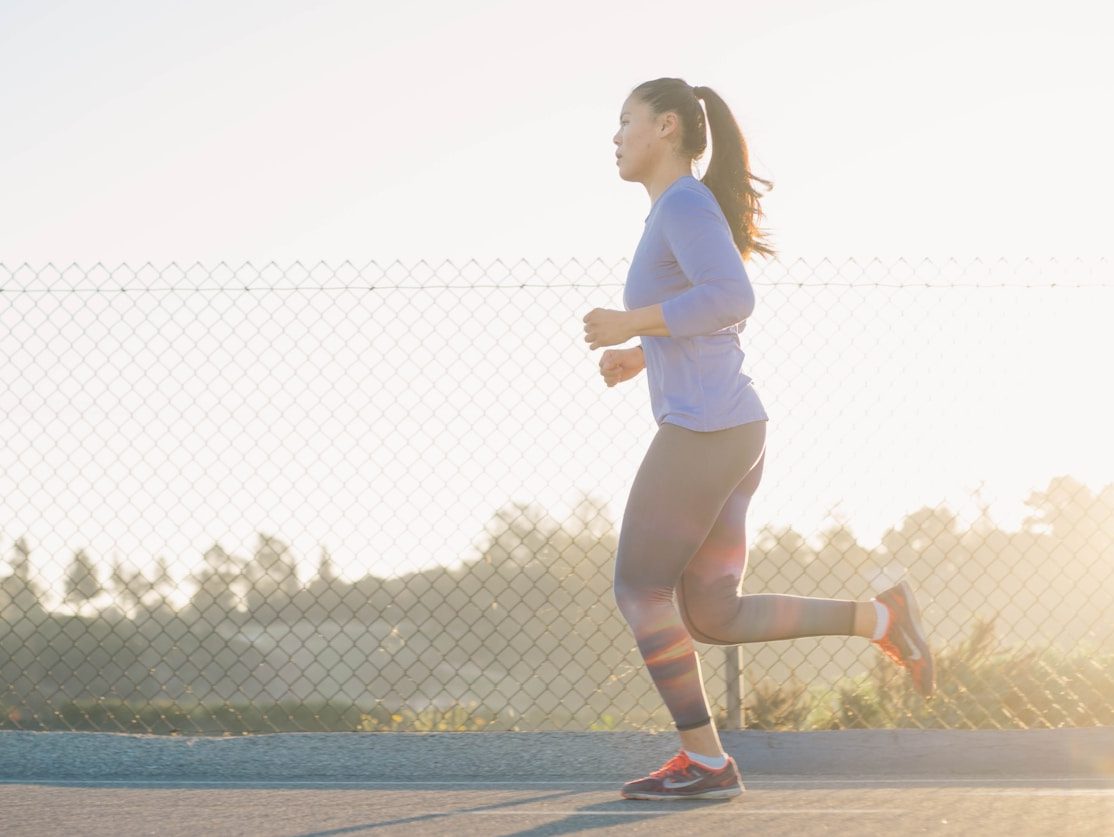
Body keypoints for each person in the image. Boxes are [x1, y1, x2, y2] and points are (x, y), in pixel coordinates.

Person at [582, 77, 935, 802]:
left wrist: (632, 322)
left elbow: (733, 297)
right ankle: (883, 617)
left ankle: (707, 763)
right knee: (712, 611)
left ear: (669, 127)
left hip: (708, 431)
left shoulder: (681, 202)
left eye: (626, 121)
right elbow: (710, 312)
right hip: (732, 428)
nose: (615, 136)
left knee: (640, 586)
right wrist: (642, 352)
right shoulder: (675, 210)